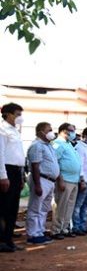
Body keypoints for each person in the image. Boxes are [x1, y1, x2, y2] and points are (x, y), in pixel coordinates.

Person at [26, 122, 60, 245]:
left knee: (44, 208)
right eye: (49, 130)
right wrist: (38, 185)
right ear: (41, 132)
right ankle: (32, 234)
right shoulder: (36, 146)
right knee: (35, 208)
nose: (52, 132)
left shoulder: (48, 146)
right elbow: (35, 166)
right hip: (41, 179)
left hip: (50, 181)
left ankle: (39, 232)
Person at [0, 103, 26, 252]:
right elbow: (1, 155)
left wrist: (21, 177)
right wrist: (3, 176)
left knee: (13, 208)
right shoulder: (2, 131)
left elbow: (19, 156)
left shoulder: (15, 131)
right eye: (18, 114)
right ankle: (2, 240)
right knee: (3, 207)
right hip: (6, 171)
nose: (20, 118)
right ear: (8, 114)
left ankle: (9, 239)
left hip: (16, 171)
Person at [51, 123, 82, 239]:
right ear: (64, 131)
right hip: (65, 180)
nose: (73, 133)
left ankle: (65, 228)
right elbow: (55, 163)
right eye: (71, 130)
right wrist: (60, 179)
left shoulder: (69, 144)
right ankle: (56, 230)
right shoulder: (57, 144)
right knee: (61, 206)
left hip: (74, 180)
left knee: (69, 206)